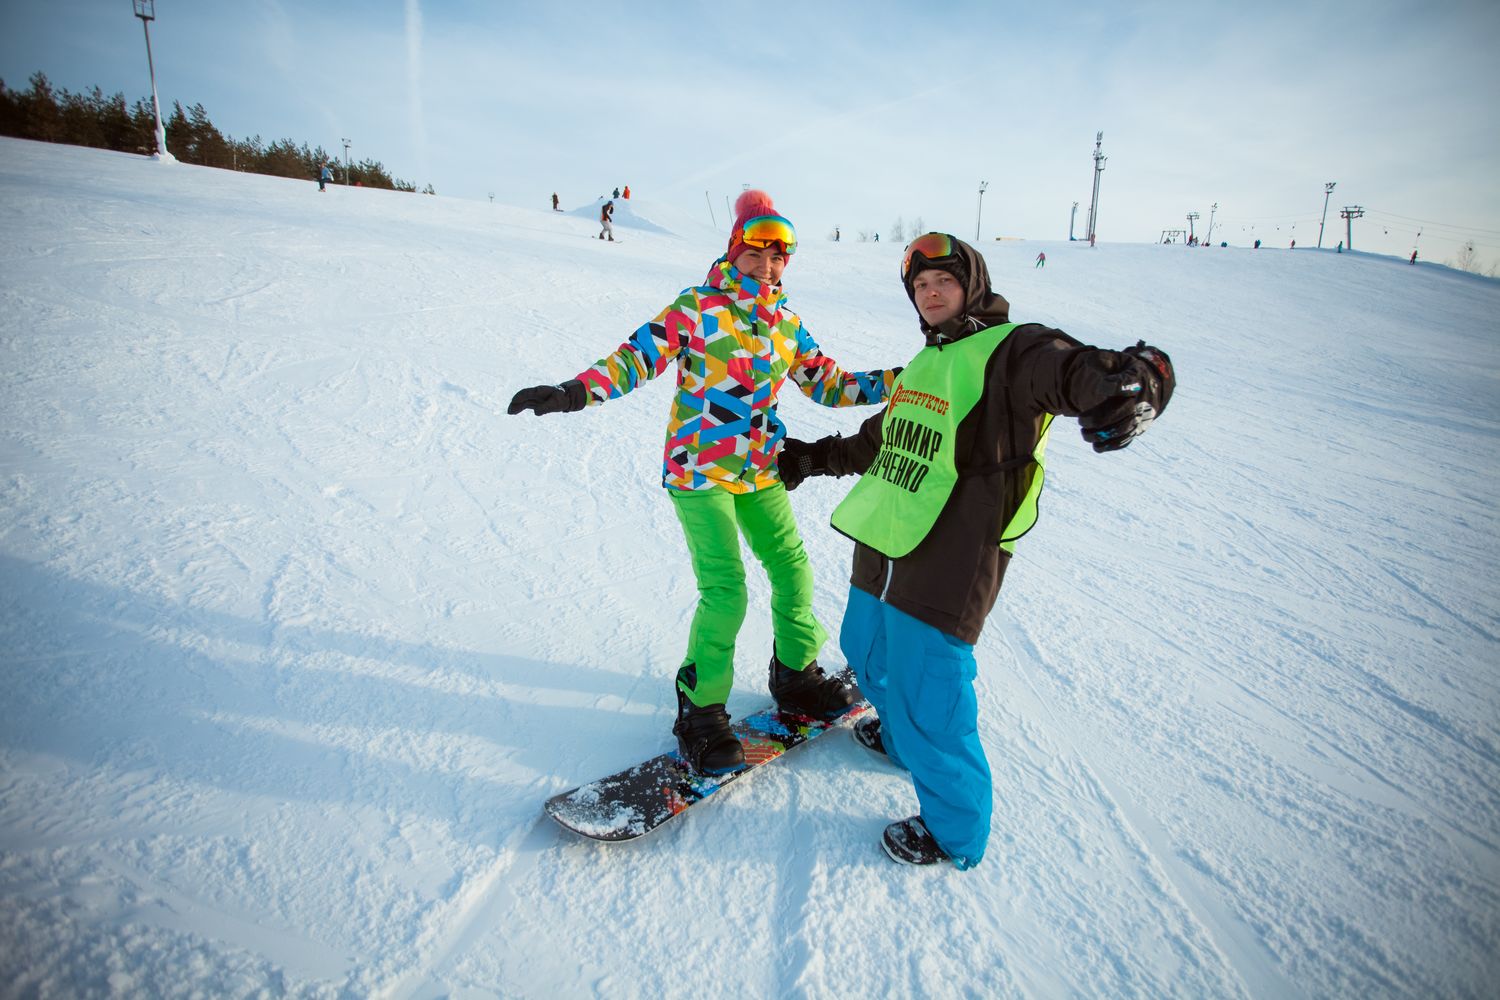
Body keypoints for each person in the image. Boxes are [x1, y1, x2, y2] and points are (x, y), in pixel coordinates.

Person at [779, 233, 1174, 869]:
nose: (931, 294)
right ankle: (904, 739)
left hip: (953, 557)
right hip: (886, 545)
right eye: (920, 286)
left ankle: (955, 831)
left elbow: (1069, 369)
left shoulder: (1012, 350)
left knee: (930, 694)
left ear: (973, 286)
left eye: (944, 282)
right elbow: (881, 439)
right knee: (867, 650)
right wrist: (812, 458)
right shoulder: (927, 364)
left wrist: (1140, 377)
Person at [508, 190, 900, 774]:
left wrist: (902, 380)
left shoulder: (786, 322)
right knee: (727, 589)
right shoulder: (696, 307)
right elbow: (636, 357)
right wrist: (574, 392)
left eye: (781, 256)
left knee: (794, 570)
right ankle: (699, 709)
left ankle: (795, 675)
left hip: (761, 469)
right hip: (700, 472)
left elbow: (828, 385)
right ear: (736, 249)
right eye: (759, 251)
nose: (769, 265)